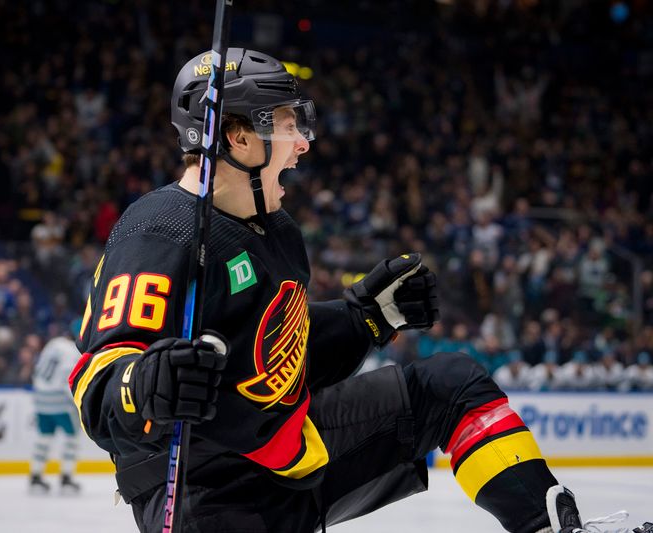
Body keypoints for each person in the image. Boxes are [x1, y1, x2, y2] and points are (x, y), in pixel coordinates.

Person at [70, 49, 627, 533]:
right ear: (238, 137)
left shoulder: (277, 231)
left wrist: (365, 318)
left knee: (451, 386)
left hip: (289, 453)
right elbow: (98, 383)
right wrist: (143, 386)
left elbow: (281, 366)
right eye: (287, 126)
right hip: (208, 488)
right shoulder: (161, 229)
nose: (303, 143)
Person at [30, 320, 82, 495]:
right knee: (72, 438)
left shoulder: (54, 343)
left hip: (40, 397)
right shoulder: (73, 351)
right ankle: (66, 478)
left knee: (44, 437)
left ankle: (35, 477)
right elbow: (68, 379)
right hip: (59, 400)